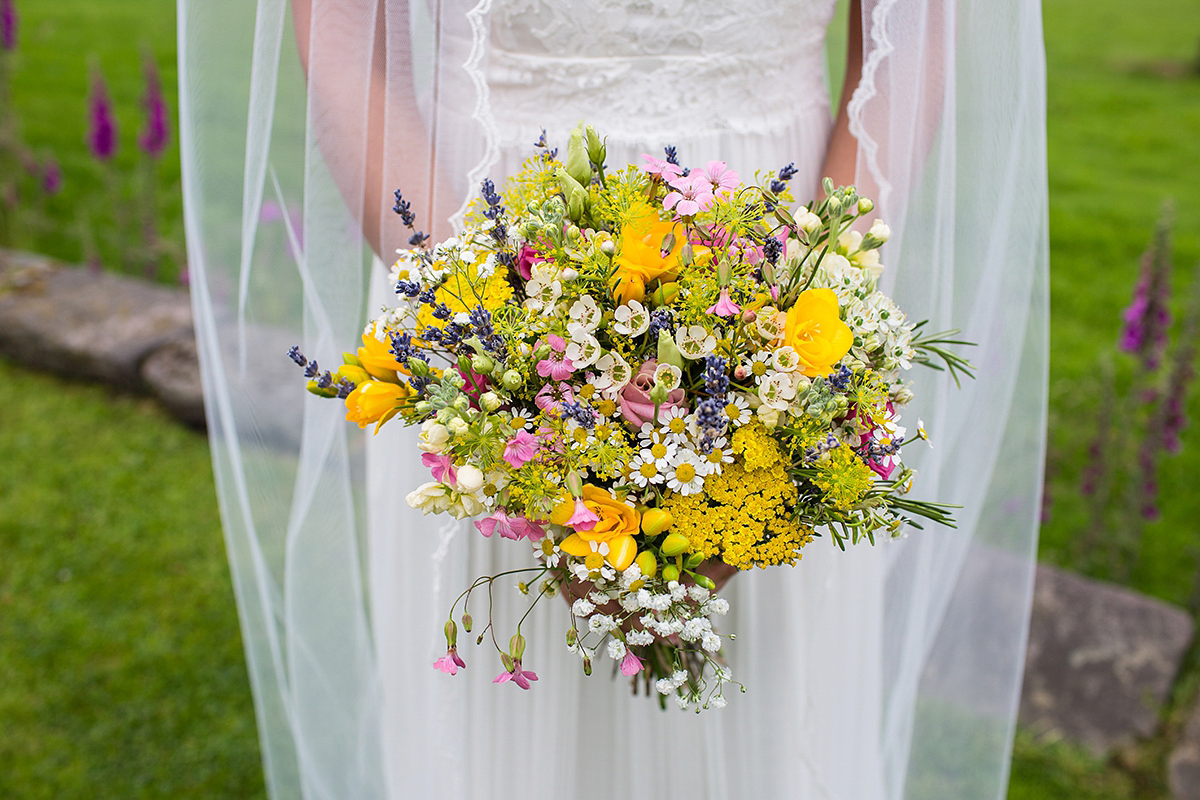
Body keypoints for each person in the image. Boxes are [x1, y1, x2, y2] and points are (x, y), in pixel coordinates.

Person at [178, 1, 1048, 797]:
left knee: (772, 718)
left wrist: (782, 351)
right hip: (478, 251)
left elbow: (904, 48)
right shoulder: (487, 332)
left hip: (779, 259)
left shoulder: (782, 322)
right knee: (504, 717)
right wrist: (507, 392)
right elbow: (353, 61)